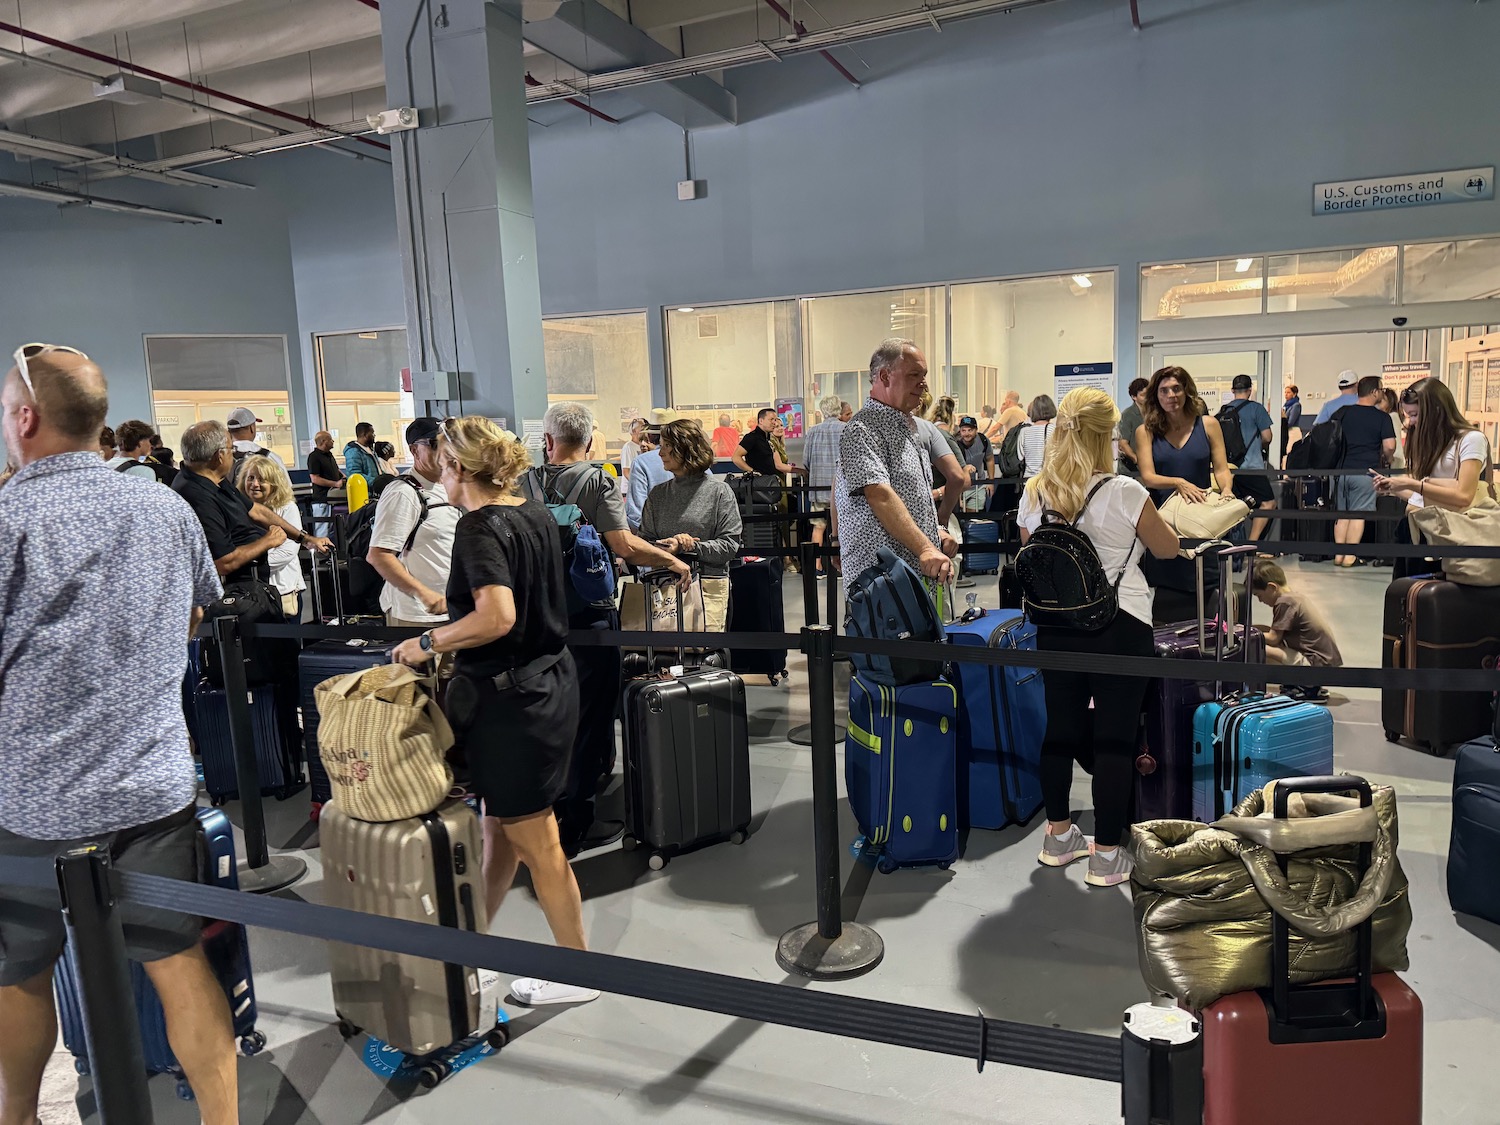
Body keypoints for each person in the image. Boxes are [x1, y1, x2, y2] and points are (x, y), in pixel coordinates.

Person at [0, 345, 241, 1125]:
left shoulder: (7, 520)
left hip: (31, 802)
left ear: (25, 418)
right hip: (153, 787)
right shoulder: (164, 507)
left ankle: (20, 1115)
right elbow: (200, 611)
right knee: (178, 960)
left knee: (19, 973)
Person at [389, 416, 597, 1009]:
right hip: (544, 686)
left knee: (537, 842)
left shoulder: (478, 527)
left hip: (514, 706)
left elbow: (498, 617)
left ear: (457, 468)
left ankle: (578, 972)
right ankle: (470, 948)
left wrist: (428, 642)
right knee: (498, 831)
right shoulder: (531, 512)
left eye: (441, 465)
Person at [1019, 387, 1179, 887]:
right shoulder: (1126, 491)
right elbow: (1167, 549)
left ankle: (1058, 836)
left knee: (1059, 731)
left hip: (1054, 626)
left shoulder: (1037, 491)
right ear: (1105, 435)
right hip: (1119, 624)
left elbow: (1036, 553)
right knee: (1115, 736)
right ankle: (1107, 853)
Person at [527, 402, 687, 857]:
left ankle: (546, 809)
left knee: (549, 710)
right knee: (592, 711)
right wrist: (670, 559)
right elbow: (624, 546)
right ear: (590, 442)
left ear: (549, 441)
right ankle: (577, 817)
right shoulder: (597, 480)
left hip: (536, 614)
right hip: (588, 612)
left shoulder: (525, 482)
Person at [836, 338, 958, 585]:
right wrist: (925, 547)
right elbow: (879, 494)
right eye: (914, 375)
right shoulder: (862, 429)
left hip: (910, 578)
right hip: (881, 585)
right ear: (884, 376)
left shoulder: (908, 425)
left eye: (924, 375)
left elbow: (914, 496)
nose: (923, 384)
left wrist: (935, 531)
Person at [1135, 366, 1235, 624]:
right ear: (1156, 395)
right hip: (1164, 520)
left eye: (1176, 389)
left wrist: (1226, 490)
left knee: (1205, 584)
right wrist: (1178, 482)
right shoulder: (1145, 431)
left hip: (1201, 519)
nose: (1171, 395)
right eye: (1164, 390)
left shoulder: (1208, 425)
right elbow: (1148, 476)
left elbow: (1222, 468)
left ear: (1187, 390)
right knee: (1166, 595)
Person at [174, 420, 331, 582]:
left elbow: (256, 511)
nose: (233, 454)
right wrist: (267, 541)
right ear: (219, 456)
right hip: (230, 593)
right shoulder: (196, 495)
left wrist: (305, 538)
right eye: (231, 449)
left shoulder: (215, 479)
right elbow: (223, 562)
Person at [1375, 378, 1493, 581]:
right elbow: (1421, 496)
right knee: (1409, 599)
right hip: (1418, 530)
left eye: (1415, 415)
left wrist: (1414, 484)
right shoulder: (1428, 441)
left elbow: (1463, 495)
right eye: (1408, 415)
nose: (1411, 422)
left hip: (1453, 534)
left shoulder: (1471, 440)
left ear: (1436, 410)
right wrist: (1393, 488)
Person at [639, 420, 742, 631]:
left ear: (686, 448)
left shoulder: (719, 492)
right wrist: (667, 548)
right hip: (663, 589)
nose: (660, 453)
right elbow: (644, 541)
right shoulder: (658, 495)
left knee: (703, 657)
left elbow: (729, 546)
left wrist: (691, 546)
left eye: (667, 446)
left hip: (707, 588)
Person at [367, 418, 461, 629]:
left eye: (449, 443)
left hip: (453, 611)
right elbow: (379, 555)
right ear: (414, 450)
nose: (445, 450)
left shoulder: (450, 486)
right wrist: (423, 594)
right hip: (417, 616)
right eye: (434, 444)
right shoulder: (403, 493)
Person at [1250, 561, 1342, 702]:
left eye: (1258, 595)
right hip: (1323, 661)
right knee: (1259, 634)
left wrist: (1245, 634)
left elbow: (1274, 638)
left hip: (1316, 664)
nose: (1260, 600)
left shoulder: (1284, 602)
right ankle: (1306, 682)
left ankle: (1305, 682)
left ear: (1271, 587)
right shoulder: (1294, 597)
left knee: (1257, 646)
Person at [1331, 375, 1396, 567]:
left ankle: (1338, 555)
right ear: (1375, 392)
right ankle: (1350, 556)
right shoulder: (1382, 417)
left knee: (1342, 514)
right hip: (1365, 471)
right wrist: (1387, 458)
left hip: (1340, 472)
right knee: (1358, 514)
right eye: (1381, 390)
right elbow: (1390, 446)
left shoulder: (1342, 412)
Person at [238, 454, 307, 619]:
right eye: (250, 478)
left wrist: (245, 560)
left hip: (283, 593)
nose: (255, 484)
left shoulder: (287, 508)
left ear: (273, 483)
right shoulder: (237, 509)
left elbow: (287, 552)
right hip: (247, 595)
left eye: (262, 480)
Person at [1222, 374, 1276, 542]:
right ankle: (1252, 544)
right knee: (1268, 503)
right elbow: (1267, 437)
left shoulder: (1224, 411)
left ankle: (1231, 544)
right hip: (1252, 467)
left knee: (1234, 506)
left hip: (1229, 469)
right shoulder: (1256, 409)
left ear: (1232, 390)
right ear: (1250, 390)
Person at [803, 394, 847, 576]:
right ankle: (842, 567)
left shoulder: (813, 431)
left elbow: (806, 461)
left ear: (822, 411)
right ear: (839, 409)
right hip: (841, 490)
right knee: (843, 528)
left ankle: (817, 567)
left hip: (818, 489)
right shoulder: (847, 429)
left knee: (818, 527)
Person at [625, 425, 671, 531]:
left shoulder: (641, 462)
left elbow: (636, 515)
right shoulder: (695, 464)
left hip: (654, 540)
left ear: (649, 437)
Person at [733, 408, 797, 478]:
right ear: (761, 421)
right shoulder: (752, 437)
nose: (774, 423)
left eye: (775, 420)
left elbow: (777, 463)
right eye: (771, 419)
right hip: (759, 484)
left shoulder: (768, 439)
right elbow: (736, 457)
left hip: (771, 482)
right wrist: (752, 471)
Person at [955, 414, 995, 510]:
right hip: (960, 487)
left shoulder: (983, 440)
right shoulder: (954, 443)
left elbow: (989, 459)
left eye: (970, 430)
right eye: (963, 430)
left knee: (975, 517)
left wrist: (991, 482)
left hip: (978, 485)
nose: (967, 433)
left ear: (976, 430)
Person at [1115, 378, 1150, 475]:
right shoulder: (1127, 415)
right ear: (1134, 397)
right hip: (1132, 470)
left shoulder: (1154, 413)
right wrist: (1136, 459)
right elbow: (1123, 444)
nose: (1147, 398)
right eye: (1143, 395)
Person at [1021, 394, 1057, 480]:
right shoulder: (1055, 430)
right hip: (1048, 479)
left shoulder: (1024, 431)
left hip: (1028, 480)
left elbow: (1020, 456)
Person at [307, 429, 345, 499]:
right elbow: (315, 478)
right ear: (323, 441)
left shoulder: (329, 455)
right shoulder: (314, 456)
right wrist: (335, 484)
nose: (333, 441)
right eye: (330, 439)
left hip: (333, 497)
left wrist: (345, 478)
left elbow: (337, 470)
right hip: (322, 498)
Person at [343, 421, 380, 485]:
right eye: (372, 433)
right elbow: (355, 475)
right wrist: (375, 482)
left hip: (376, 489)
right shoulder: (353, 452)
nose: (374, 435)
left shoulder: (369, 449)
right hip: (366, 491)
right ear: (364, 435)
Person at [1281, 383, 1303, 460]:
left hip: (1293, 432)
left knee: (1290, 452)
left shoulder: (1296, 405)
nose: (1286, 394)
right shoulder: (1285, 406)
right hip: (1286, 431)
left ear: (1294, 394)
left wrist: (1283, 418)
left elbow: (1291, 422)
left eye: (1288, 392)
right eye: (1285, 392)